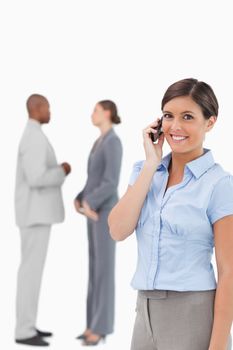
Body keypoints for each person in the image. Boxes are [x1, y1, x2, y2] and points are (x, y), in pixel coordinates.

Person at [108, 79, 233, 350]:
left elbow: (228, 272)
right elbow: (118, 230)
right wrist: (152, 163)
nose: (175, 126)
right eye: (168, 116)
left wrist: (219, 346)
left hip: (192, 312)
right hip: (145, 311)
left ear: (210, 122)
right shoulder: (146, 172)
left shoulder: (219, 184)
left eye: (187, 117)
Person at [14, 94, 71, 346]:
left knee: (32, 273)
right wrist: (62, 171)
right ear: (36, 108)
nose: (50, 112)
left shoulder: (33, 135)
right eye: (47, 107)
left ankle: (28, 325)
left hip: (34, 214)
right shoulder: (34, 137)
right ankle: (24, 331)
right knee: (30, 274)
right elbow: (36, 178)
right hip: (35, 215)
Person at [74, 100, 122, 346]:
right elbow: (93, 178)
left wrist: (90, 201)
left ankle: (101, 328)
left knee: (104, 270)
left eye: (95, 110)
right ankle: (91, 323)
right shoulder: (98, 142)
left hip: (104, 213)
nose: (91, 114)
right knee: (94, 269)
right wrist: (80, 198)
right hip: (92, 212)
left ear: (107, 112)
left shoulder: (113, 142)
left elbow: (111, 182)